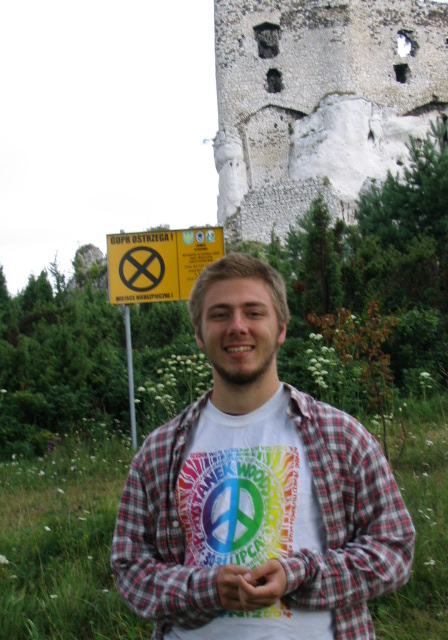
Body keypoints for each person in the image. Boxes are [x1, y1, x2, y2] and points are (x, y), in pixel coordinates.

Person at [111, 253, 415, 640]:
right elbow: (130, 568)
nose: (237, 327)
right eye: (220, 314)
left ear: (281, 328)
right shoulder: (158, 452)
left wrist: (298, 574)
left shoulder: (342, 436)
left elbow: (394, 548)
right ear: (199, 334)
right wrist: (205, 588)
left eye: (254, 312)